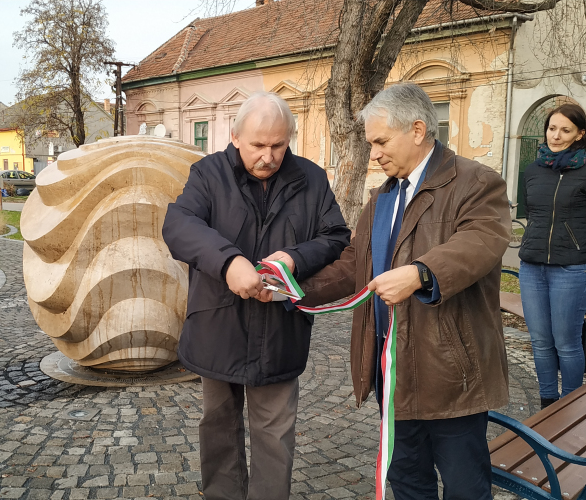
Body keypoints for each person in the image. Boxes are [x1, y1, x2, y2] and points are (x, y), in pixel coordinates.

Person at [298, 83, 510, 500]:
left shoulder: (475, 181)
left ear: (417, 130)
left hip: (451, 374)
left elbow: (482, 241)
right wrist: (293, 288)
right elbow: (353, 263)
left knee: (465, 488)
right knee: (408, 484)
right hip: (392, 371)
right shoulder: (381, 198)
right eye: (371, 143)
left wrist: (420, 272)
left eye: (380, 141)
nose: (374, 153)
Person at [162, 91, 351, 500]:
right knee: (218, 426)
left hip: (281, 328)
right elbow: (178, 225)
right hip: (217, 324)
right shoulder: (208, 174)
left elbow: (336, 236)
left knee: (275, 432)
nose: (268, 156)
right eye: (258, 145)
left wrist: (296, 259)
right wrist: (229, 262)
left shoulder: (312, 179)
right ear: (235, 137)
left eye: (279, 145)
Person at [518, 103, 586, 409]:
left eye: (565, 130)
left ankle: (570, 407)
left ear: (580, 134)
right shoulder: (533, 170)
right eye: (551, 128)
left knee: (567, 344)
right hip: (532, 266)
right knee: (541, 342)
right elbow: (532, 214)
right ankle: (548, 404)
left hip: (570, 268)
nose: (555, 136)